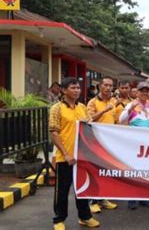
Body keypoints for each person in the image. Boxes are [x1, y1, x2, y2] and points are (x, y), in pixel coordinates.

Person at [49, 77, 100, 230]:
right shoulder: (57, 108)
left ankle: (85, 217)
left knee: (82, 188)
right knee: (62, 191)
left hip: (82, 157)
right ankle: (59, 220)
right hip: (65, 157)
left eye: (78, 88)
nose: (77, 90)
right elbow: (54, 132)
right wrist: (65, 154)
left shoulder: (82, 108)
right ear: (64, 90)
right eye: (73, 88)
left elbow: (88, 127)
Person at [119, 82, 149, 210]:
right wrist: (129, 109)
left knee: (146, 171)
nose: (144, 93)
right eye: (142, 91)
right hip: (133, 145)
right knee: (132, 171)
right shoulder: (131, 105)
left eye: (147, 91)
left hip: (146, 146)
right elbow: (121, 120)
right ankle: (132, 198)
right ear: (137, 92)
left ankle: (144, 198)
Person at [86, 77, 118, 213]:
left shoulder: (114, 101)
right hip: (95, 141)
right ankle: (92, 201)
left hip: (110, 141)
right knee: (95, 170)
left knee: (106, 171)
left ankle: (103, 198)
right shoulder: (92, 102)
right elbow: (90, 119)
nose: (108, 88)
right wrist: (104, 110)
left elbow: (116, 120)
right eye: (105, 85)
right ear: (99, 86)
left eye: (110, 85)